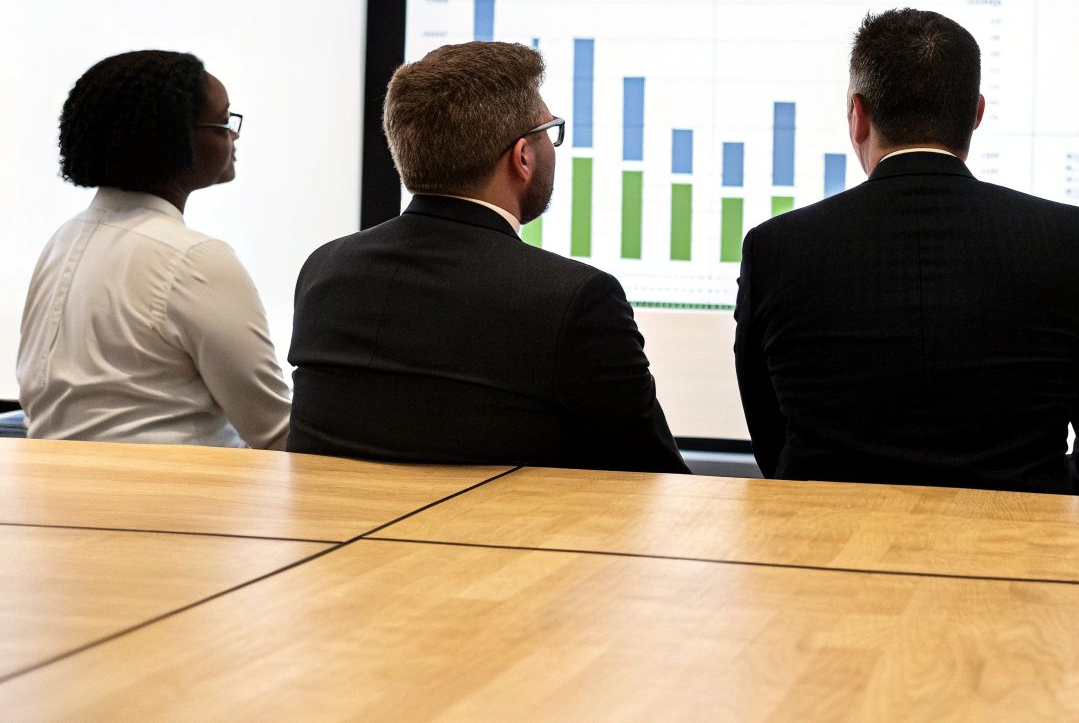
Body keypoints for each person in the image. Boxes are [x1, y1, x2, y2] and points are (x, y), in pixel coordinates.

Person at [735, 9, 1079, 498]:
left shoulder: (774, 250)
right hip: (1022, 562)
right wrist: (1053, 495)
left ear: (857, 114)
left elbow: (775, 445)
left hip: (825, 562)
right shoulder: (1071, 241)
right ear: (976, 113)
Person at [287, 41, 687, 472]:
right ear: (522, 157)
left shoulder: (324, 270)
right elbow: (657, 480)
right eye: (549, 131)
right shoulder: (576, 299)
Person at [17, 51, 289, 448]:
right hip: (175, 504)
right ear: (176, 139)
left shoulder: (62, 240)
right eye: (223, 121)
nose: (233, 136)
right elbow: (274, 431)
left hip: (60, 500)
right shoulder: (195, 257)